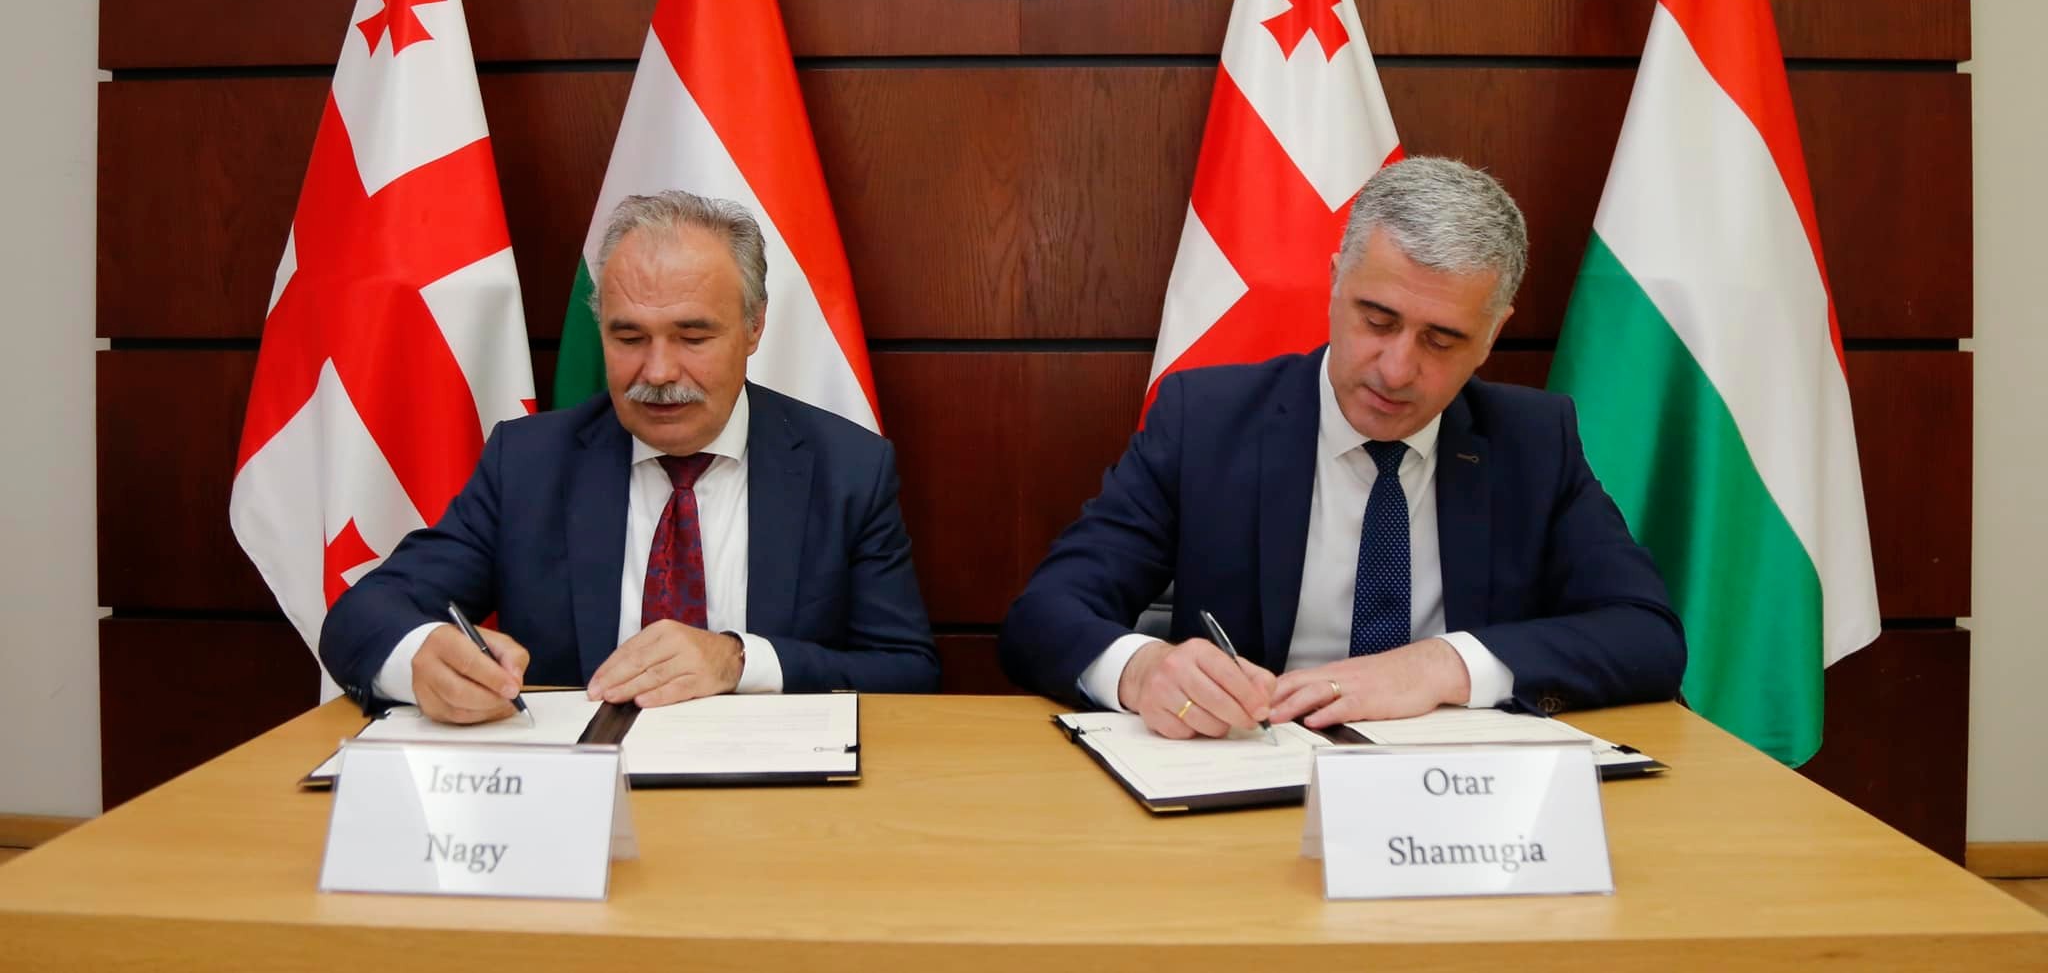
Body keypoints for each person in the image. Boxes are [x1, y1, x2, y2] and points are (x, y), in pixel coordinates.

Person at [998, 156, 1683, 738]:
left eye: (1442, 340)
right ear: (1335, 282)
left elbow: (1646, 635)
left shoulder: (1532, 441)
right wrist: (1144, 669)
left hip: (1461, 800)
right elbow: (1045, 615)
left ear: (1492, 335)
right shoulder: (1205, 421)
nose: (1396, 369)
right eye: (1377, 320)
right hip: (1251, 776)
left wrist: (1441, 666)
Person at [320, 190, 939, 721]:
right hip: (575, 794)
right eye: (629, 337)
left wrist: (740, 660)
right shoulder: (530, 464)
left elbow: (907, 672)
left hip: (771, 801)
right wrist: (422, 656)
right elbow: (361, 617)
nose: (659, 371)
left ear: (753, 327)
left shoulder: (846, 468)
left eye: (693, 336)